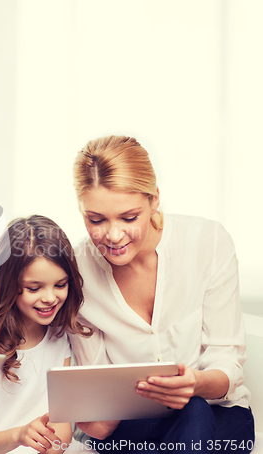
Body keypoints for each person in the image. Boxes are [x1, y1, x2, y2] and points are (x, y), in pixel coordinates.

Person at [69, 135, 255, 453]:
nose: (113, 236)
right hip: (134, 424)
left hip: (218, 414)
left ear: (155, 199)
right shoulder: (77, 272)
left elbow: (227, 360)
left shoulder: (208, 242)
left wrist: (195, 383)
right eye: (95, 220)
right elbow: (97, 393)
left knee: (193, 410)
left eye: (129, 217)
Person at [0, 215, 97, 454]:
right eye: (34, 288)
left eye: (60, 285)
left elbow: (62, 432)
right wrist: (19, 435)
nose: (50, 298)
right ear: (9, 283)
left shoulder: (60, 337)